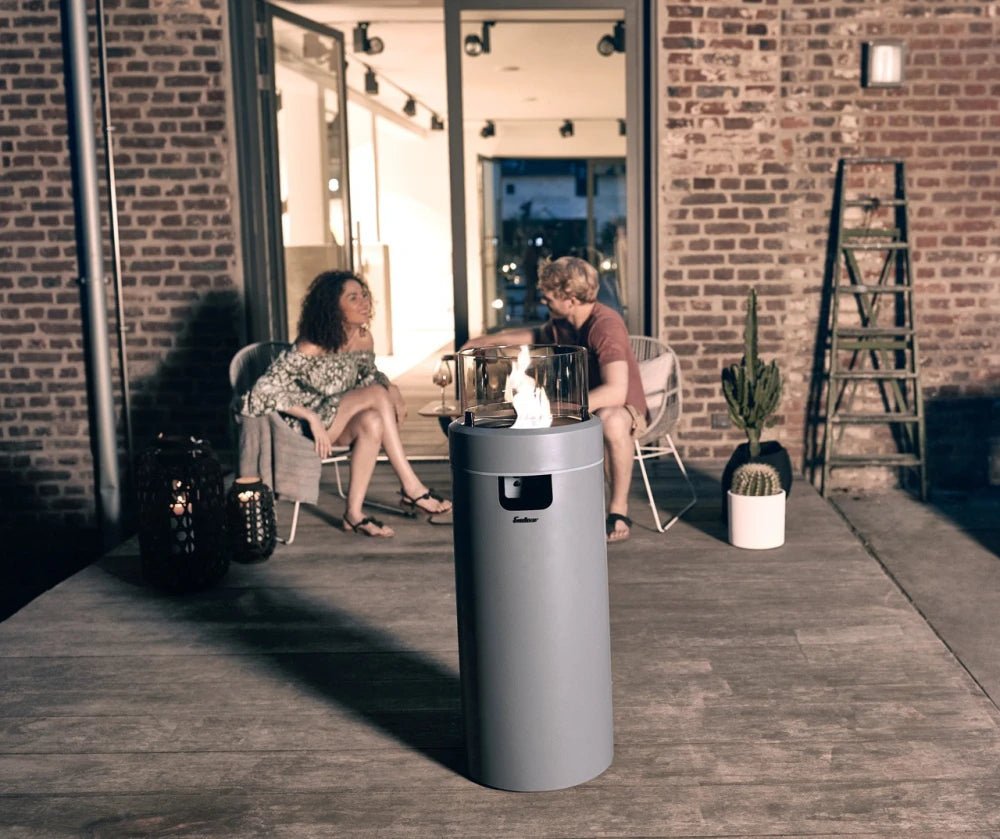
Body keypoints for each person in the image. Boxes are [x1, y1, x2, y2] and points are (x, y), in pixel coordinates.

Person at [242, 270, 451, 538]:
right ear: (333, 307)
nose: (364, 302)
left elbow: (369, 376)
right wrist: (311, 417)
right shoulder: (312, 345)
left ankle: (353, 514)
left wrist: (393, 389)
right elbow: (261, 390)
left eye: (364, 295)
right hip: (306, 430)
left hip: (338, 424)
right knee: (376, 395)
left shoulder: (363, 339)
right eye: (353, 298)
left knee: (373, 421)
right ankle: (411, 487)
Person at [463, 256, 647, 543]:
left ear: (570, 300)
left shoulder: (605, 325)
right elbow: (534, 334)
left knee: (610, 419)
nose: (543, 301)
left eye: (549, 297)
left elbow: (615, 392)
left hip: (624, 410)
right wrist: (486, 341)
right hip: (585, 406)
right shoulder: (563, 322)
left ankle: (618, 509)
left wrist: (555, 409)